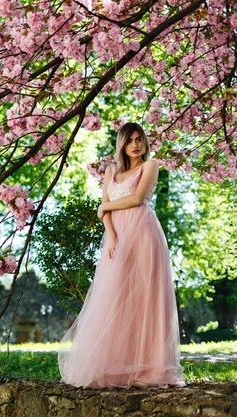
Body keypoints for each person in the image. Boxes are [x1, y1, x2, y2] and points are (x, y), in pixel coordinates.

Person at [57, 122, 186, 388]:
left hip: (143, 235)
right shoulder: (111, 171)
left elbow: (137, 199)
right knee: (117, 296)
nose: (136, 144)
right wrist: (112, 234)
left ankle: (149, 367)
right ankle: (117, 364)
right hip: (117, 237)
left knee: (144, 295)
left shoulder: (150, 166)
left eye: (140, 139)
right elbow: (104, 213)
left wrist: (105, 205)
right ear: (122, 144)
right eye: (130, 140)